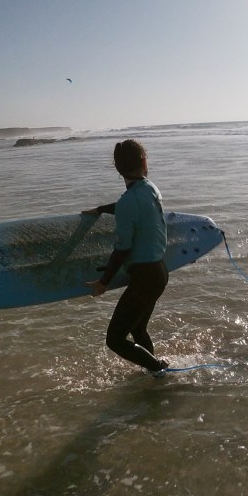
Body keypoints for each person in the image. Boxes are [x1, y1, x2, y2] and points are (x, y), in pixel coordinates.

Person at [84, 139, 170, 375]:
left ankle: (159, 370)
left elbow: (123, 248)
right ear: (144, 162)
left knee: (114, 340)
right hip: (159, 272)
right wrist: (103, 208)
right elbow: (132, 206)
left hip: (144, 278)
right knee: (138, 329)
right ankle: (155, 374)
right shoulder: (151, 188)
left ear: (117, 169)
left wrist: (103, 282)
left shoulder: (128, 202)